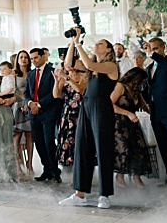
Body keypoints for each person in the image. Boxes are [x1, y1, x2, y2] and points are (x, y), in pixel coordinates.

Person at [60, 29, 119, 209]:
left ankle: (105, 195)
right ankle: (79, 194)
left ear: (108, 50)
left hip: (102, 108)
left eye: (100, 44)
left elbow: (91, 66)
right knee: (82, 149)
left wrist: (79, 44)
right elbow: (68, 64)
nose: (96, 45)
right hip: (86, 106)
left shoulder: (110, 67)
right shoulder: (90, 65)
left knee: (103, 150)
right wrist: (73, 41)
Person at [143, 37, 167, 186]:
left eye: (155, 48)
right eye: (150, 49)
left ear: (163, 47)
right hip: (155, 113)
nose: (153, 51)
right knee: (163, 144)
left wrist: (154, 55)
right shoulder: (149, 68)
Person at [25, 47, 62, 183]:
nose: (33, 61)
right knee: (39, 143)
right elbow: (26, 93)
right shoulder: (30, 74)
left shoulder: (52, 72)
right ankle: (46, 170)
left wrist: (38, 105)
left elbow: (54, 94)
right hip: (34, 114)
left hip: (48, 112)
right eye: (32, 59)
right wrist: (30, 104)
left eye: (36, 58)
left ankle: (54, 170)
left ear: (43, 57)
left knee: (49, 142)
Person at [112, 67, 152, 188]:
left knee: (138, 148)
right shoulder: (120, 86)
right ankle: (119, 175)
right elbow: (110, 104)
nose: (143, 84)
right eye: (142, 81)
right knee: (124, 149)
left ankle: (137, 177)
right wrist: (128, 113)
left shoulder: (136, 91)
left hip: (133, 125)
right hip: (119, 123)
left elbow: (146, 107)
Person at [53, 41, 87, 170]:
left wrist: (67, 77)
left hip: (81, 113)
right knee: (67, 140)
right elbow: (56, 95)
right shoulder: (65, 77)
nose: (72, 69)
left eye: (75, 68)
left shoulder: (85, 78)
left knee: (80, 142)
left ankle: (82, 171)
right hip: (67, 113)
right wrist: (57, 82)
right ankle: (71, 169)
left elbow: (79, 89)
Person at [12, 50, 34, 176]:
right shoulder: (14, 74)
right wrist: (24, 100)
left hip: (29, 105)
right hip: (18, 105)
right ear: (17, 59)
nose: (23, 59)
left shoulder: (32, 73)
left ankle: (29, 163)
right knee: (17, 136)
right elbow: (13, 90)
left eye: (26, 57)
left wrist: (29, 102)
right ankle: (17, 165)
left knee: (30, 135)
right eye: (21, 57)